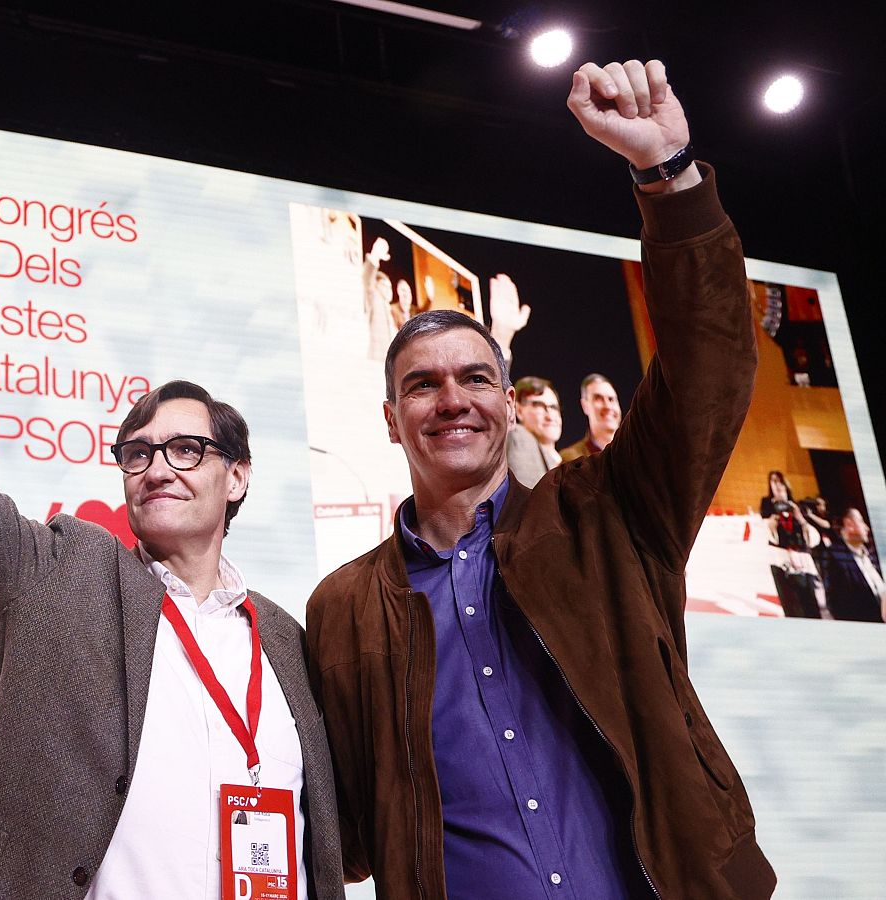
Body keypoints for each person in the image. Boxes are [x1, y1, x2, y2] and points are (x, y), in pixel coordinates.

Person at [306, 59, 776, 899]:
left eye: (476, 378)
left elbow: (710, 368)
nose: (453, 400)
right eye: (422, 384)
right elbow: (346, 835)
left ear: (508, 402)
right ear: (390, 420)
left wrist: (668, 177)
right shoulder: (343, 608)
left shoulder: (609, 515)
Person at [0, 148, 342, 899]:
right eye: (136, 454)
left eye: (186, 449)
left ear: (237, 476)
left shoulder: (286, 642)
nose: (157, 467)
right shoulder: (59, 575)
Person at [761, 470, 822, 619]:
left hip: (802, 562)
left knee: (811, 606)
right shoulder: (767, 506)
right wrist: (773, 520)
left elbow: (813, 539)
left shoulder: (797, 506)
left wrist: (800, 518)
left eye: (779, 481)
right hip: (781, 562)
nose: (777, 485)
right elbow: (766, 534)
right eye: (773, 481)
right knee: (791, 607)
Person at [817, 508, 886, 623]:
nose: (867, 528)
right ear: (849, 524)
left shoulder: (873, 554)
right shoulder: (834, 557)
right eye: (861, 521)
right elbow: (837, 605)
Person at [506, 376, 562, 487]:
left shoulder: (565, 457)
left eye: (554, 407)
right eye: (539, 406)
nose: (550, 416)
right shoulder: (520, 437)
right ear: (519, 410)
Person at [558, 373, 620, 461]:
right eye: (598, 398)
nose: (608, 406)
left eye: (611, 399)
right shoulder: (572, 459)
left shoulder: (638, 447)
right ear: (585, 406)